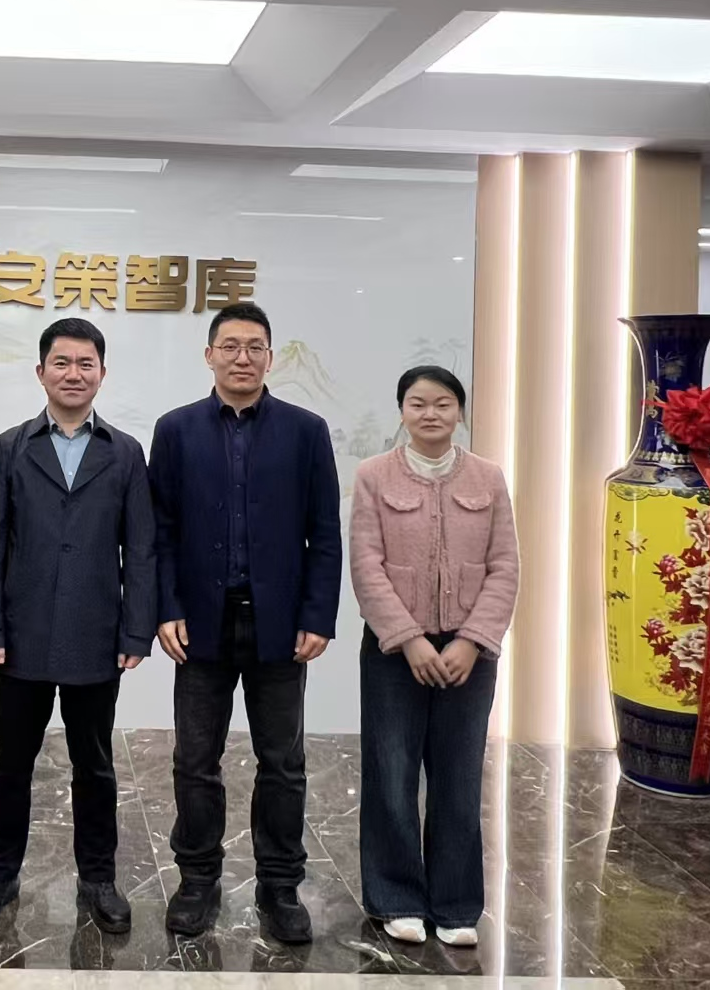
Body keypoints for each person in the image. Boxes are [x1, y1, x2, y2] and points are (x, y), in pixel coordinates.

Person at [148, 301, 341, 944]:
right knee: (195, 759)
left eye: (255, 347)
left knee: (282, 762)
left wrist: (317, 615)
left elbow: (324, 532)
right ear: (209, 355)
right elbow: (160, 532)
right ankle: (197, 880)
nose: (242, 357)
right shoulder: (175, 430)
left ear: (270, 357)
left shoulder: (306, 431)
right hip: (200, 623)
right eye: (229, 346)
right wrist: (166, 606)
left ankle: (280, 887)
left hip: (279, 625)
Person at [0, 319, 157, 935]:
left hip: (96, 634)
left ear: (102, 373)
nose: (74, 374)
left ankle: (98, 876)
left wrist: (136, 631)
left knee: (94, 764)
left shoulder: (125, 453)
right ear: (41, 371)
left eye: (85, 363)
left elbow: (141, 549)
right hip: (21, 634)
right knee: (11, 762)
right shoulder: (10, 447)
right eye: (62, 363)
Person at [348, 365, 518, 949]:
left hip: (470, 653)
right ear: (402, 411)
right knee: (391, 774)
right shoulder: (374, 476)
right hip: (395, 652)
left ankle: (456, 904)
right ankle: (395, 898)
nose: (430, 414)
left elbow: (505, 566)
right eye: (417, 403)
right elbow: (366, 566)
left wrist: (472, 640)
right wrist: (409, 637)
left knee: (458, 776)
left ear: (460, 412)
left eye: (443, 403)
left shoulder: (488, 477)